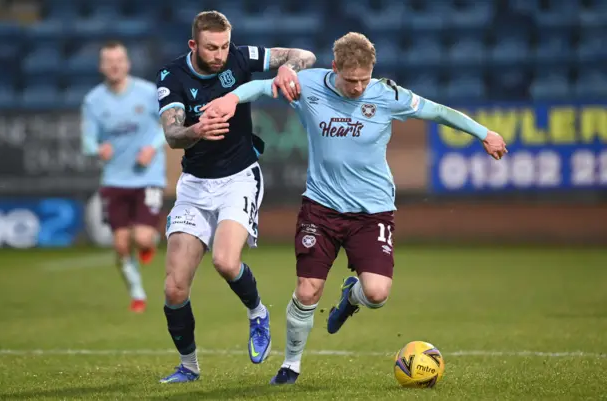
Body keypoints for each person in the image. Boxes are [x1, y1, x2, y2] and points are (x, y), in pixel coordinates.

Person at [201, 31, 508, 385]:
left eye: (364, 79)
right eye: (351, 80)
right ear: (334, 68)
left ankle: (351, 296)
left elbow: (437, 112)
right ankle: (291, 364)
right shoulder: (308, 85)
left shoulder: (387, 94)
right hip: (321, 206)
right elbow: (260, 88)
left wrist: (482, 133)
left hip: (373, 211)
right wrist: (230, 99)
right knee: (307, 290)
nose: (359, 87)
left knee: (376, 294)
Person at [155, 11, 316, 383]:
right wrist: (196, 128)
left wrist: (287, 70)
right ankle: (189, 366)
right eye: (212, 48)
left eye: (225, 45)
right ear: (193, 45)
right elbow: (173, 134)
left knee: (226, 262)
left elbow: (304, 55)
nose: (220, 54)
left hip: (239, 178)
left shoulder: (241, 57)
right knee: (174, 287)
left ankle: (258, 313)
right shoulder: (172, 75)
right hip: (195, 184)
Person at [81, 41, 166, 314]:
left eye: (119, 60)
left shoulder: (147, 93)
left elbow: (170, 126)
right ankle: (137, 293)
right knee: (119, 244)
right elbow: (87, 142)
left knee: (142, 238)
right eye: (109, 61)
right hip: (115, 180)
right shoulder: (94, 101)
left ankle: (147, 244)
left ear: (127, 63)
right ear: (101, 66)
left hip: (147, 177)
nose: (115, 65)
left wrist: (151, 148)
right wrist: (98, 148)